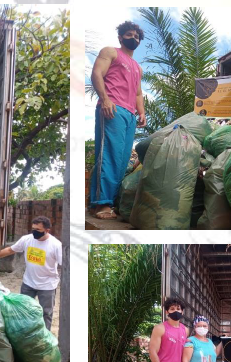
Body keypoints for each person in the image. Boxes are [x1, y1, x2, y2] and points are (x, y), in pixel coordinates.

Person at [89, 21, 146, 220]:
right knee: (109, 155)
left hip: (130, 115)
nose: (133, 38)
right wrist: (105, 99)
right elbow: (97, 73)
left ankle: (109, 203)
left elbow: (138, 93)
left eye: (137, 36)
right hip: (112, 107)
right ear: (121, 37)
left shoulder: (138, 68)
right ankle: (101, 204)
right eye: (129, 35)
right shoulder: (111, 52)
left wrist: (141, 112)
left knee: (122, 160)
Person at [0, 216, 62, 331]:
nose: (34, 232)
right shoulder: (27, 239)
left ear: (47, 230)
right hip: (28, 283)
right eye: (33, 229)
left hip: (47, 285)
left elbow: (65, 265)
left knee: (46, 313)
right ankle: (24, 333)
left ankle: (45, 336)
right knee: (23, 310)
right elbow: (10, 250)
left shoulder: (56, 245)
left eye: (38, 230)